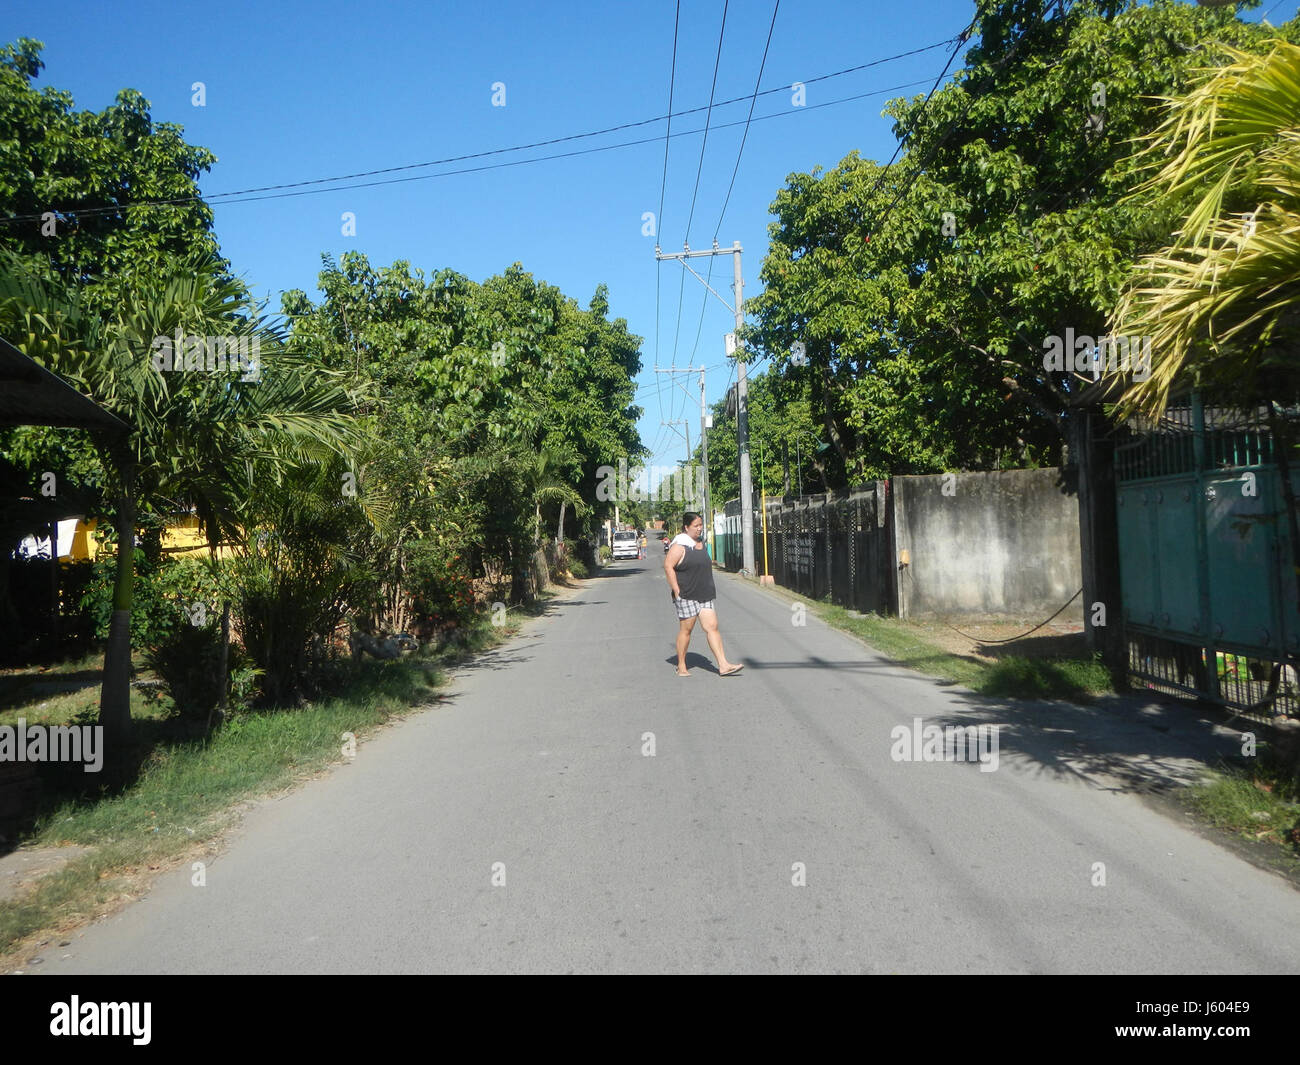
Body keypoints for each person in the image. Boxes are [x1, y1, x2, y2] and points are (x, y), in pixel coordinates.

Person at [663, 512, 743, 677]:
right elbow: (668, 566)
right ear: (686, 527)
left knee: (712, 627)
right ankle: (681, 665)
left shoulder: (701, 543)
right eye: (696, 526)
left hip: (704, 593)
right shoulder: (680, 545)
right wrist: (677, 590)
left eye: (701, 525)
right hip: (687, 594)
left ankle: (723, 665)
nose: (700, 528)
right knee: (686, 630)